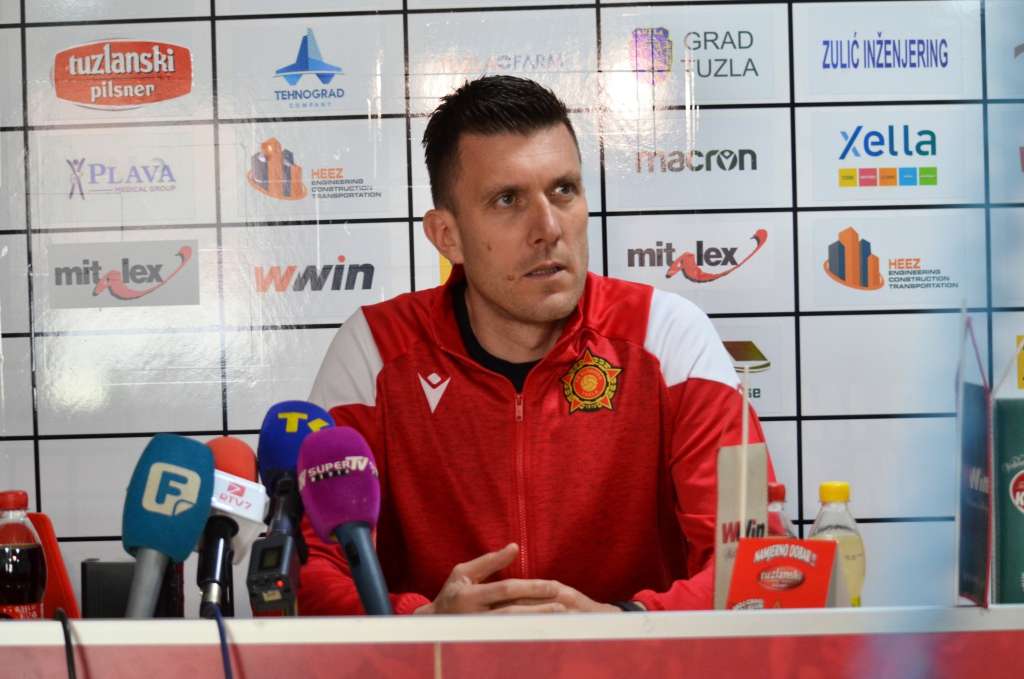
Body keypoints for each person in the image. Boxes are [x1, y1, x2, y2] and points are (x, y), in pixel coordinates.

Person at [302, 75, 770, 615]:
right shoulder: (375, 350)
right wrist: (424, 623)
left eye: (563, 190)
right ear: (447, 236)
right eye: (508, 200)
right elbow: (304, 572)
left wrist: (624, 623)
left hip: (631, 658)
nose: (548, 228)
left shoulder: (668, 336)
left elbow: (756, 560)